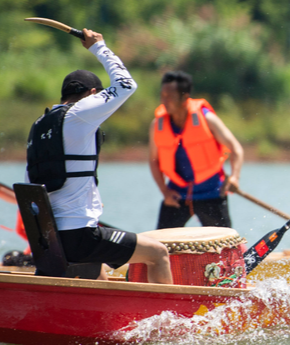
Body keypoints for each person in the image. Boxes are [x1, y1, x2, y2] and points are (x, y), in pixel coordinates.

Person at [25, 28, 171, 283]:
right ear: (93, 95)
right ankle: (171, 322)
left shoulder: (40, 125)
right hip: (79, 236)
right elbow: (126, 85)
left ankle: (104, 311)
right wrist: (98, 47)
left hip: (49, 240)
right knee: (159, 253)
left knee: (100, 268)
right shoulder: (81, 112)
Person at [148, 70, 244, 229]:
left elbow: (236, 149)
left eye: (169, 96)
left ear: (185, 98)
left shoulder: (207, 119)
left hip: (211, 192)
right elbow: (153, 161)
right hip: (176, 195)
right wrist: (164, 191)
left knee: (226, 245)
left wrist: (235, 177)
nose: (164, 100)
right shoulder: (156, 125)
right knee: (160, 245)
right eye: (162, 95)